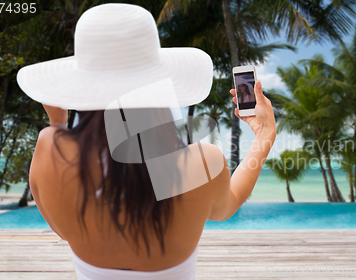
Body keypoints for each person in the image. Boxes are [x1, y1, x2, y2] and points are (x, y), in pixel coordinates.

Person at [17, 3, 276, 280]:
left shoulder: (50, 151)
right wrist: (265, 135)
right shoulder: (202, 163)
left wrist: (57, 124)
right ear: (158, 83)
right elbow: (230, 203)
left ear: (84, 87)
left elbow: (63, 225)